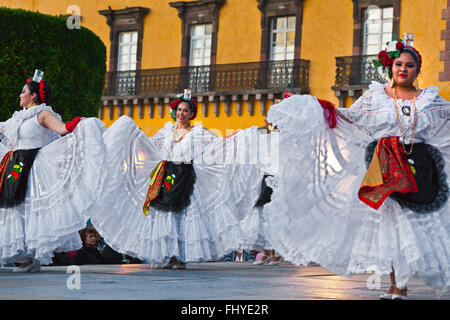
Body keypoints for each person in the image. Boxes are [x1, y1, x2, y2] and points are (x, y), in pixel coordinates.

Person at [263, 39, 449, 299]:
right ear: (390, 67)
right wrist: (317, 108)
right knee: (393, 226)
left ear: (418, 70)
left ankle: (405, 283)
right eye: (398, 64)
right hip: (385, 164)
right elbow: (350, 116)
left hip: (421, 164)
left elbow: (446, 124)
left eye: (409, 65)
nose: (403, 69)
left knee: (419, 225)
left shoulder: (430, 100)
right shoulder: (377, 96)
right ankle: (398, 286)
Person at [90, 90, 263, 269]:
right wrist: (133, 136)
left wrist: (235, 138)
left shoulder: (198, 133)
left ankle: (181, 258)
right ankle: (170, 257)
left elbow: (215, 145)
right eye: (179, 110)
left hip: (187, 178)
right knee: (167, 218)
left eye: (185, 111)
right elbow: (150, 145)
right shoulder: (165, 132)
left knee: (183, 218)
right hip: (166, 178)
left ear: (191, 114)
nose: (181, 113)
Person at [0, 70, 106, 272]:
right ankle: (24, 256)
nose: (19, 95)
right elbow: (3, 128)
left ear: (34, 95)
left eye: (23, 92)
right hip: (15, 168)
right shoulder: (17, 119)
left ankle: (31, 257)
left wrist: (77, 123)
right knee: (16, 210)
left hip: (34, 167)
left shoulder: (43, 114)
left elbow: (62, 129)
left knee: (32, 211)